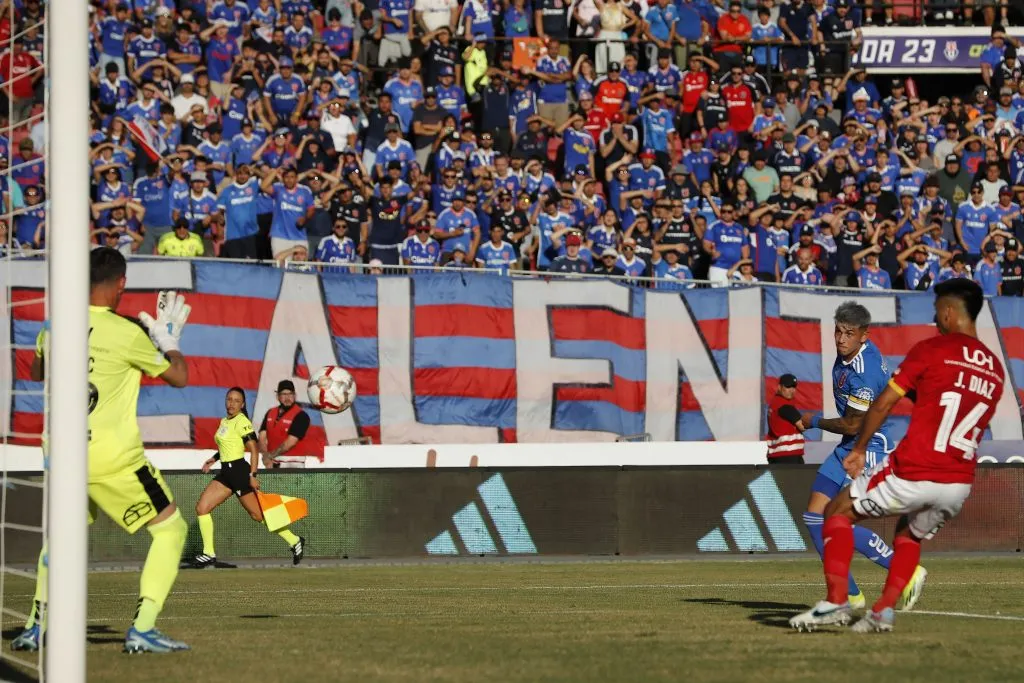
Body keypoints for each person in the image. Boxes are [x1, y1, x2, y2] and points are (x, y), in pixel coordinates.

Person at [791, 280, 1005, 632]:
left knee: (837, 514)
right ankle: (881, 611)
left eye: (937, 311)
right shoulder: (994, 368)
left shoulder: (929, 351)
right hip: (959, 480)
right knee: (906, 535)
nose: (934, 319)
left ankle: (840, 599)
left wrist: (855, 446)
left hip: (904, 460)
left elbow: (875, 411)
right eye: (838, 332)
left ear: (948, 312)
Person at [14, 249, 191, 654]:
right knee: (170, 529)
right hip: (112, 460)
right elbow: (179, 377)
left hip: (60, 456)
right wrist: (168, 340)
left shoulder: (55, 327)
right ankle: (143, 628)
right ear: (121, 283)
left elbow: (37, 373)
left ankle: (35, 626)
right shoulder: (127, 333)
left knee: (62, 536)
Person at [799, 302, 926, 613]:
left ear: (864, 336)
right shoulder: (851, 356)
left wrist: (813, 421)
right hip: (848, 443)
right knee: (814, 518)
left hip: (866, 447)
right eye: (838, 331)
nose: (841, 339)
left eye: (849, 333)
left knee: (835, 517)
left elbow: (855, 423)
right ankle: (852, 595)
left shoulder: (863, 372)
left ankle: (901, 569)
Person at [192, 388, 306, 568]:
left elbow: (253, 449)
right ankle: (208, 553)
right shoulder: (224, 421)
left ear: (242, 404)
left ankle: (294, 540)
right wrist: (214, 458)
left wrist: (252, 475)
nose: (232, 403)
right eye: (229, 399)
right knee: (202, 508)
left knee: (259, 515)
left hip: (239, 473)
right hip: (225, 473)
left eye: (236, 401)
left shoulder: (242, 422)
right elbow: (228, 445)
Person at [259, 380, 316, 468]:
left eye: (290, 394)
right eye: (284, 394)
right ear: (278, 396)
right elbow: (262, 437)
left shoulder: (301, 415)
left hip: (293, 464)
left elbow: (290, 442)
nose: (287, 398)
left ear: (295, 395)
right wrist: (265, 455)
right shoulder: (270, 412)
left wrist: (270, 456)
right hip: (273, 464)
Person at [765, 373, 806, 463]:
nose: (792, 390)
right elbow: (802, 426)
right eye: (788, 387)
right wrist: (815, 421)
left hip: (777, 454)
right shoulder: (784, 405)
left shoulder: (774, 403)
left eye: (794, 387)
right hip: (788, 456)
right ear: (779, 387)